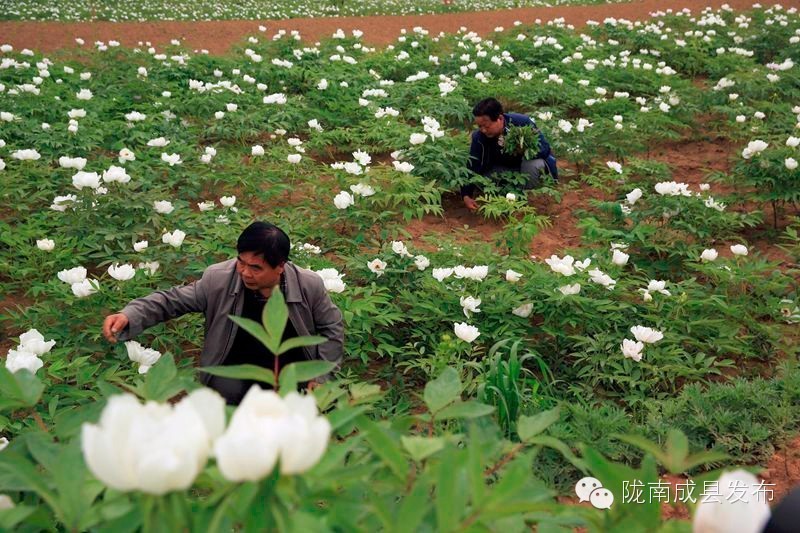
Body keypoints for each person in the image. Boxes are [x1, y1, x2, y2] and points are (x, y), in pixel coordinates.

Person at [102, 221, 344, 404]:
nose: (245, 272)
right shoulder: (218, 279)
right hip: (233, 373)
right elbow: (172, 300)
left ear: (280, 266)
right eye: (241, 262)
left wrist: (322, 377)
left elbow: (331, 328)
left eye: (256, 268)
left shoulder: (307, 285)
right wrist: (130, 315)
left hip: (291, 374)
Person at [462, 97, 558, 211]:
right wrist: (466, 195)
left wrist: (525, 151)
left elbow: (545, 149)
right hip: (504, 172)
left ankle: (528, 198)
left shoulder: (522, 123)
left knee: (534, 164)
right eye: (479, 126)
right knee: (482, 179)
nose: (483, 130)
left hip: (526, 171)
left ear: (500, 118)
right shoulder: (479, 137)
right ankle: (508, 197)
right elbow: (473, 164)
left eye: (486, 126)